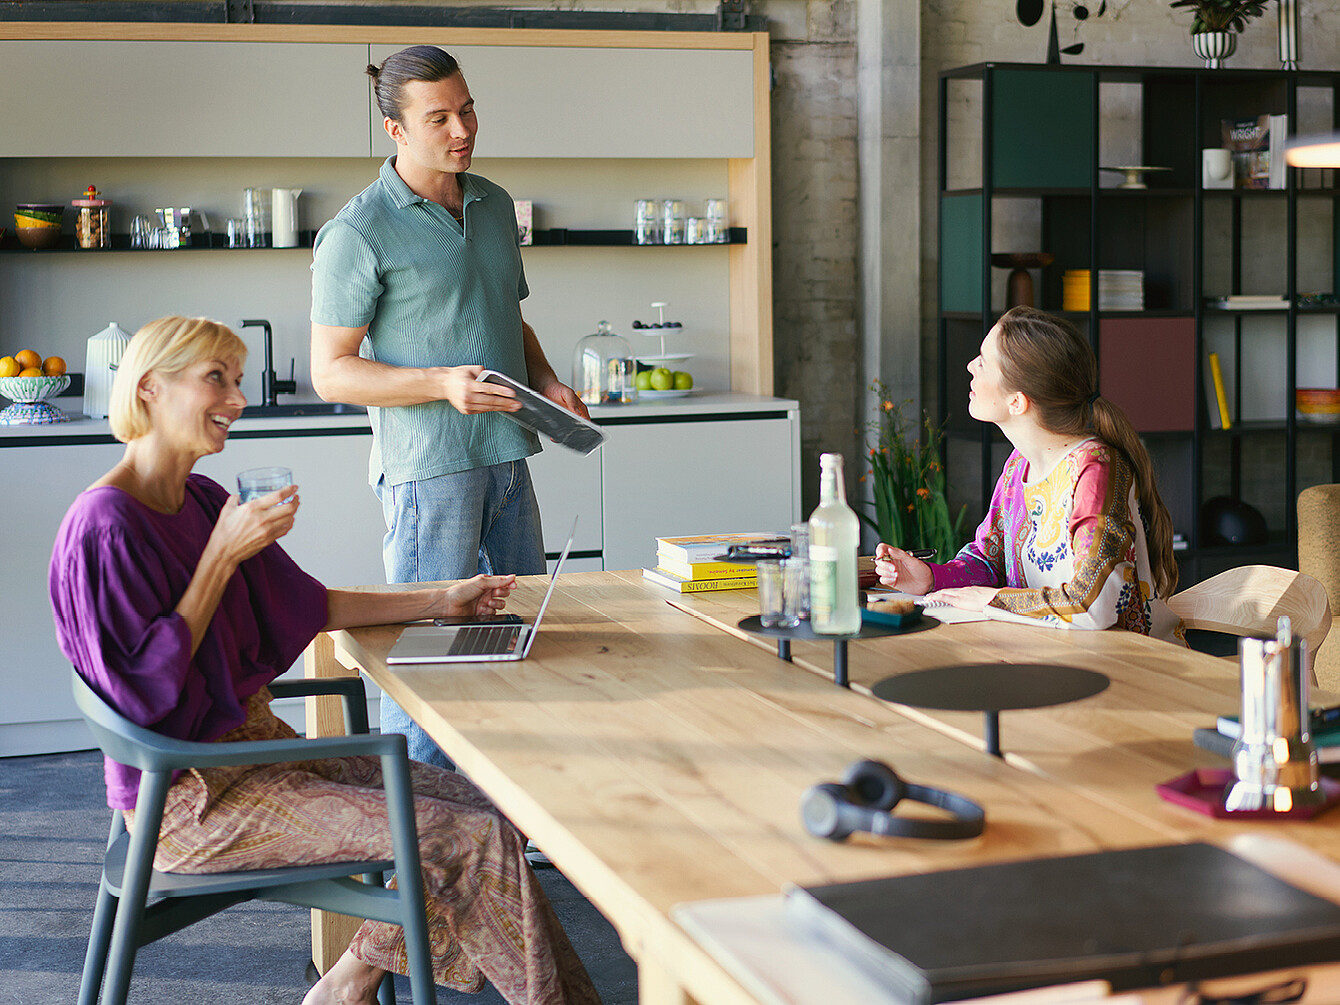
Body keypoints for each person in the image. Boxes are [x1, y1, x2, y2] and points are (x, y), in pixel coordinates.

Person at [48, 317, 600, 1005]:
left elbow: (306, 604)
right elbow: (143, 697)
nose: (238, 399)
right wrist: (221, 556)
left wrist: (444, 599)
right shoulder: (103, 527)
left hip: (257, 760)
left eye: (238, 380)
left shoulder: (201, 498)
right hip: (191, 802)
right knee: (467, 835)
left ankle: (348, 981)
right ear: (150, 389)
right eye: (216, 378)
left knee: (501, 805)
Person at [309, 44, 586, 768]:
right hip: (429, 473)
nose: (461, 129)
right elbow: (331, 373)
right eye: (439, 118)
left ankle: (514, 826)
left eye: (467, 110)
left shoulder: (493, 204)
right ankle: (424, 845)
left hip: (508, 458)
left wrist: (549, 381)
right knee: (430, 667)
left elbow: (502, 314)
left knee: (521, 648)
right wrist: (441, 384)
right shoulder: (357, 232)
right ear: (396, 131)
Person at [875, 306, 1185, 644]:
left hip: (1132, 670)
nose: (970, 367)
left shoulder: (1095, 470)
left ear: (1017, 402)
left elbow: (1093, 605)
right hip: (1049, 658)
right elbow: (989, 558)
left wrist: (993, 601)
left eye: (983, 361)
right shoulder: (1018, 466)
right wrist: (931, 579)